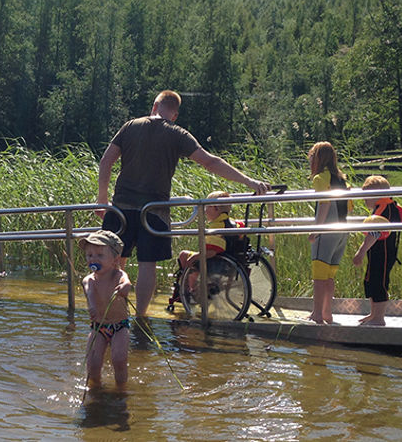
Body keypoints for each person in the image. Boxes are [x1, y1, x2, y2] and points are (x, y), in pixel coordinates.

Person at [96, 90, 270, 318]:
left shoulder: (130, 126)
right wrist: (249, 181)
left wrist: (102, 199)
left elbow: (106, 161)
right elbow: (210, 162)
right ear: (175, 115)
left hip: (121, 209)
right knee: (147, 265)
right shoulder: (177, 133)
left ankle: (108, 314)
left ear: (154, 106)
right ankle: (140, 317)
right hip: (154, 211)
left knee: (115, 261)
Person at [306, 141, 353, 324]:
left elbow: (324, 205)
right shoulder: (341, 179)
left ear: (318, 159)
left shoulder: (320, 178)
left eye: (311, 156)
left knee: (319, 274)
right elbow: (349, 207)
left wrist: (315, 230)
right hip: (342, 231)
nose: (310, 160)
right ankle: (327, 313)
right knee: (329, 276)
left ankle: (316, 314)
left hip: (326, 231)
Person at [80, 229, 133, 390]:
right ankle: (95, 387)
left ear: (115, 260)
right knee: (93, 363)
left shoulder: (118, 275)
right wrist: (93, 306)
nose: (93, 259)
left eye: (100, 255)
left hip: (119, 326)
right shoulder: (89, 279)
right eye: (89, 255)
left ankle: (121, 388)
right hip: (98, 327)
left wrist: (124, 288)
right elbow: (89, 292)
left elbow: (127, 283)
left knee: (119, 359)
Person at [352, 175, 402, 326]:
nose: (364, 200)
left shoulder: (383, 211)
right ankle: (373, 314)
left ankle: (379, 318)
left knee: (379, 283)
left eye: (366, 197)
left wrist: (361, 252)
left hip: (382, 253)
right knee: (370, 281)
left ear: (376, 195)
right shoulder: (390, 207)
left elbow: (374, 233)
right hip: (381, 252)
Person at [174, 190, 247, 296]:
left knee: (184, 255)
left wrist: (194, 257)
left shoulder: (217, 227)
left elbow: (212, 251)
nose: (204, 211)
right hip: (231, 262)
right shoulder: (235, 224)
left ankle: (189, 291)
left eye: (207, 207)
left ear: (215, 208)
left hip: (216, 264)